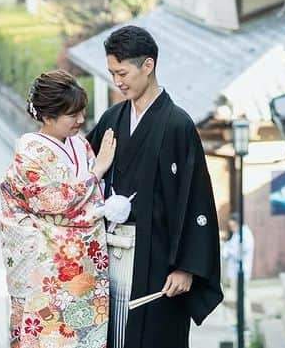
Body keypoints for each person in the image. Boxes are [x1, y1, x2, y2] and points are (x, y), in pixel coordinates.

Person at [87, 26, 222, 348]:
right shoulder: (111, 119)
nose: (117, 82)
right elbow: (85, 177)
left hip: (159, 258)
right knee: (112, 334)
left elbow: (196, 200)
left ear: (148, 65)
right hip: (110, 250)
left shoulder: (177, 124)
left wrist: (187, 267)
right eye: (111, 73)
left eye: (122, 72)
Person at [0, 70, 131, 348]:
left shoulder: (80, 145)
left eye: (82, 112)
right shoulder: (30, 152)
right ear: (48, 116)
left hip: (85, 269)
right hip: (47, 271)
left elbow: (91, 200)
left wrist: (94, 199)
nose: (81, 121)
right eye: (73, 115)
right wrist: (95, 174)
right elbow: (52, 203)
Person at [221, 214, 255, 288]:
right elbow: (230, 245)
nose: (231, 229)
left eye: (232, 226)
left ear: (237, 223)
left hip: (242, 271)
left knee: (242, 296)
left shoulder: (246, 234)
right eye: (230, 227)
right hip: (234, 272)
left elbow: (240, 252)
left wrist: (228, 251)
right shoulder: (236, 234)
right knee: (237, 294)